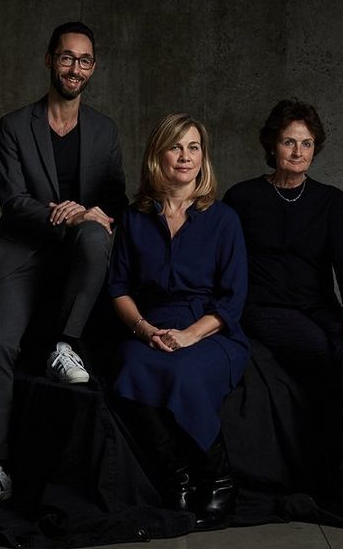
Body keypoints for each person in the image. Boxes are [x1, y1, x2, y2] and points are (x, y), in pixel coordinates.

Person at [0, 21, 127, 508]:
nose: (75, 67)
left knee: (98, 235)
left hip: (82, 256)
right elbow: (13, 200)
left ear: (92, 68)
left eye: (84, 60)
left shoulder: (104, 129)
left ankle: (65, 342)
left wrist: (91, 215)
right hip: (24, 253)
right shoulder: (14, 125)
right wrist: (67, 212)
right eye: (66, 57)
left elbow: (115, 196)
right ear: (50, 60)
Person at [223, 98, 343, 492]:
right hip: (264, 307)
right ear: (272, 145)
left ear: (315, 147)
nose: (298, 152)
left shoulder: (330, 200)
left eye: (305, 143)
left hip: (317, 306)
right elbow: (226, 262)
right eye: (289, 142)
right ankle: (338, 455)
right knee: (325, 350)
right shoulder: (242, 198)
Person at [107, 113, 249, 527]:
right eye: (176, 147)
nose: (185, 156)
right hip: (151, 327)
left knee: (184, 372)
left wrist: (189, 335)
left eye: (194, 147)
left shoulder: (224, 219)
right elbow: (118, 289)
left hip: (213, 330)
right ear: (158, 155)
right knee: (131, 367)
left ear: (203, 158)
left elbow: (233, 299)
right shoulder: (135, 218)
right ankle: (179, 478)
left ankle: (220, 481)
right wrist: (145, 330)